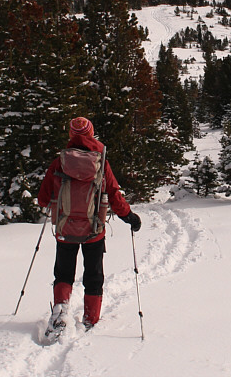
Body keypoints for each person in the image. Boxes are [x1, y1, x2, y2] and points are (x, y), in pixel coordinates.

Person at [38, 117, 141, 331]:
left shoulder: (60, 162)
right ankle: (90, 319)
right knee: (93, 275)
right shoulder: (100, 162)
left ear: (71, 135)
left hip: (65, 229)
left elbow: (43, 199)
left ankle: (61, 309)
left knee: (63, 273)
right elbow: (113, 193)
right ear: (91, 133)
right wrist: (129, 216)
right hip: (94, 231)